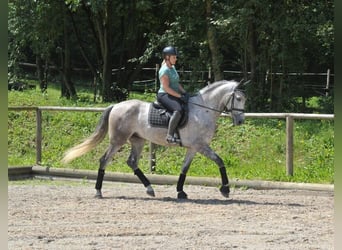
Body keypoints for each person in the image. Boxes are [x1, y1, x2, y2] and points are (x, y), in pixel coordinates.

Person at [157, 46, 189, 144]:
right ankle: (169, 135)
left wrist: (184, 92)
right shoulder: (164, 71)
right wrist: (179, 96)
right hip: (164, 94)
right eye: (174, 57)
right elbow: (166, 88)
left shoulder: (172, 67)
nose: (176, 59)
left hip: (173, 93)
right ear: (167, 58)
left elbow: (176, 83)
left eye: (176, 57)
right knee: (178, 110)